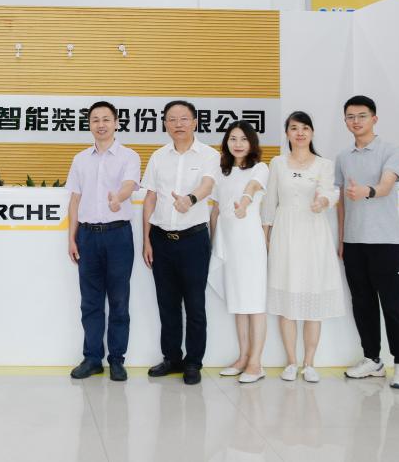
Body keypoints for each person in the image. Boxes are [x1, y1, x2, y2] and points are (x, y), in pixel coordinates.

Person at [335, 95, 399, 389]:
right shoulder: (343, 157)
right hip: (354, 243)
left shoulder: (390, 150)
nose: (356, 121)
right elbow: (341, 202)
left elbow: (386, 185)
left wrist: (367, 191)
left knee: (393, 305)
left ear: (374, 119)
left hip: (386, 242)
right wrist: (342, 238)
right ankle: (372, 359)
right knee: (363, 304)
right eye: (350, 117)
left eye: (362, 116)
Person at [261, 111, 344, 384]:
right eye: (294, 128)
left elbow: (330, 192)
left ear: (312, 132)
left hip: (313, 233)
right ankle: (291, 362)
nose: (300, 133)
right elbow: (269, 202)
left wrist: (324, 201)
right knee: (287, 300)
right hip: (285, 232)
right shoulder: (277, 163)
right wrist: (265, 235)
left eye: (305, 128)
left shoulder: (324, 164)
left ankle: (309, 363)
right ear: (287, 133)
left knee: (312, 300)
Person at [142, 100, 220, 385]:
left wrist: (191, 199)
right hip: (161, 239)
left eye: (184, 118)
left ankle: (193, 362)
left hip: (193, 240)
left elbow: (207, 185)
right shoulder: (158, 157)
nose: (178, 124)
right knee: (168, 304)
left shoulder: (209, 155)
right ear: (165, 124)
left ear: (195, 122)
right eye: (172, 119)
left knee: (195, 305)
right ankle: (172, 358)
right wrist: (146, 240)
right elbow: (150, 198)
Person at [65, 101, 141, 382]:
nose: (101, 124)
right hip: (87, 236)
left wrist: (118, 198)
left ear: (116, 123)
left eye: (106, 119)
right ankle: (92, 358)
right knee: (90, 301)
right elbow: (74, 200)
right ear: (89, 125)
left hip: (118, 235)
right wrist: (71, 238)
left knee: (119, 300)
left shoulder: (129, 156)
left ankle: (117, 360)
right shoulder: (80, 159)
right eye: (95, 119)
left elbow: (129, 184)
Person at [212, 121, 270, 384]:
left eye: (243, 139)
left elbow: (252, 189)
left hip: (250, 241)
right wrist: (213, 241)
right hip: (228, 242)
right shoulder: (220, 171)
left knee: (255, 303)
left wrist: (243, 206)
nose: (238, 144)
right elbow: (215, 209)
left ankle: (256, 363)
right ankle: (243, 357)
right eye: (233, 139)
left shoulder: (260, 168)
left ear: (252, 143)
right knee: (238, 303)